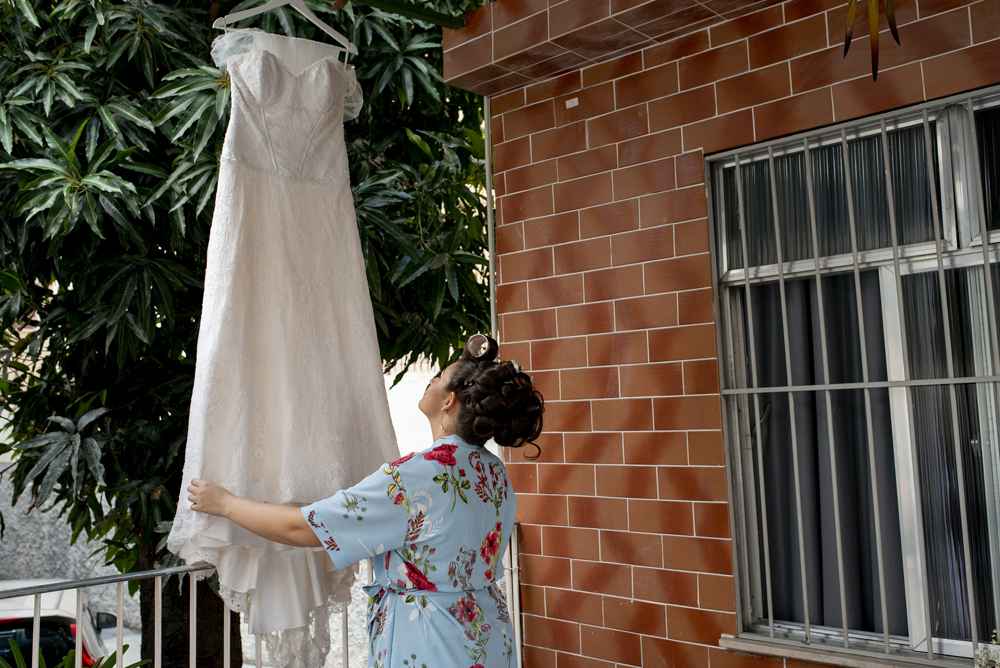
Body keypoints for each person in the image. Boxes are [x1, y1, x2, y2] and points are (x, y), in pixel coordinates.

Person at [187, 334, 544, 668]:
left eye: (437, 377)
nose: (431, 381)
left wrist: (225, 504)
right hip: (488, 633)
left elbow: (302, 529)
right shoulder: (493, 471)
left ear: (449, 400)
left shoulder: (416, 476)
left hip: (431, 639)